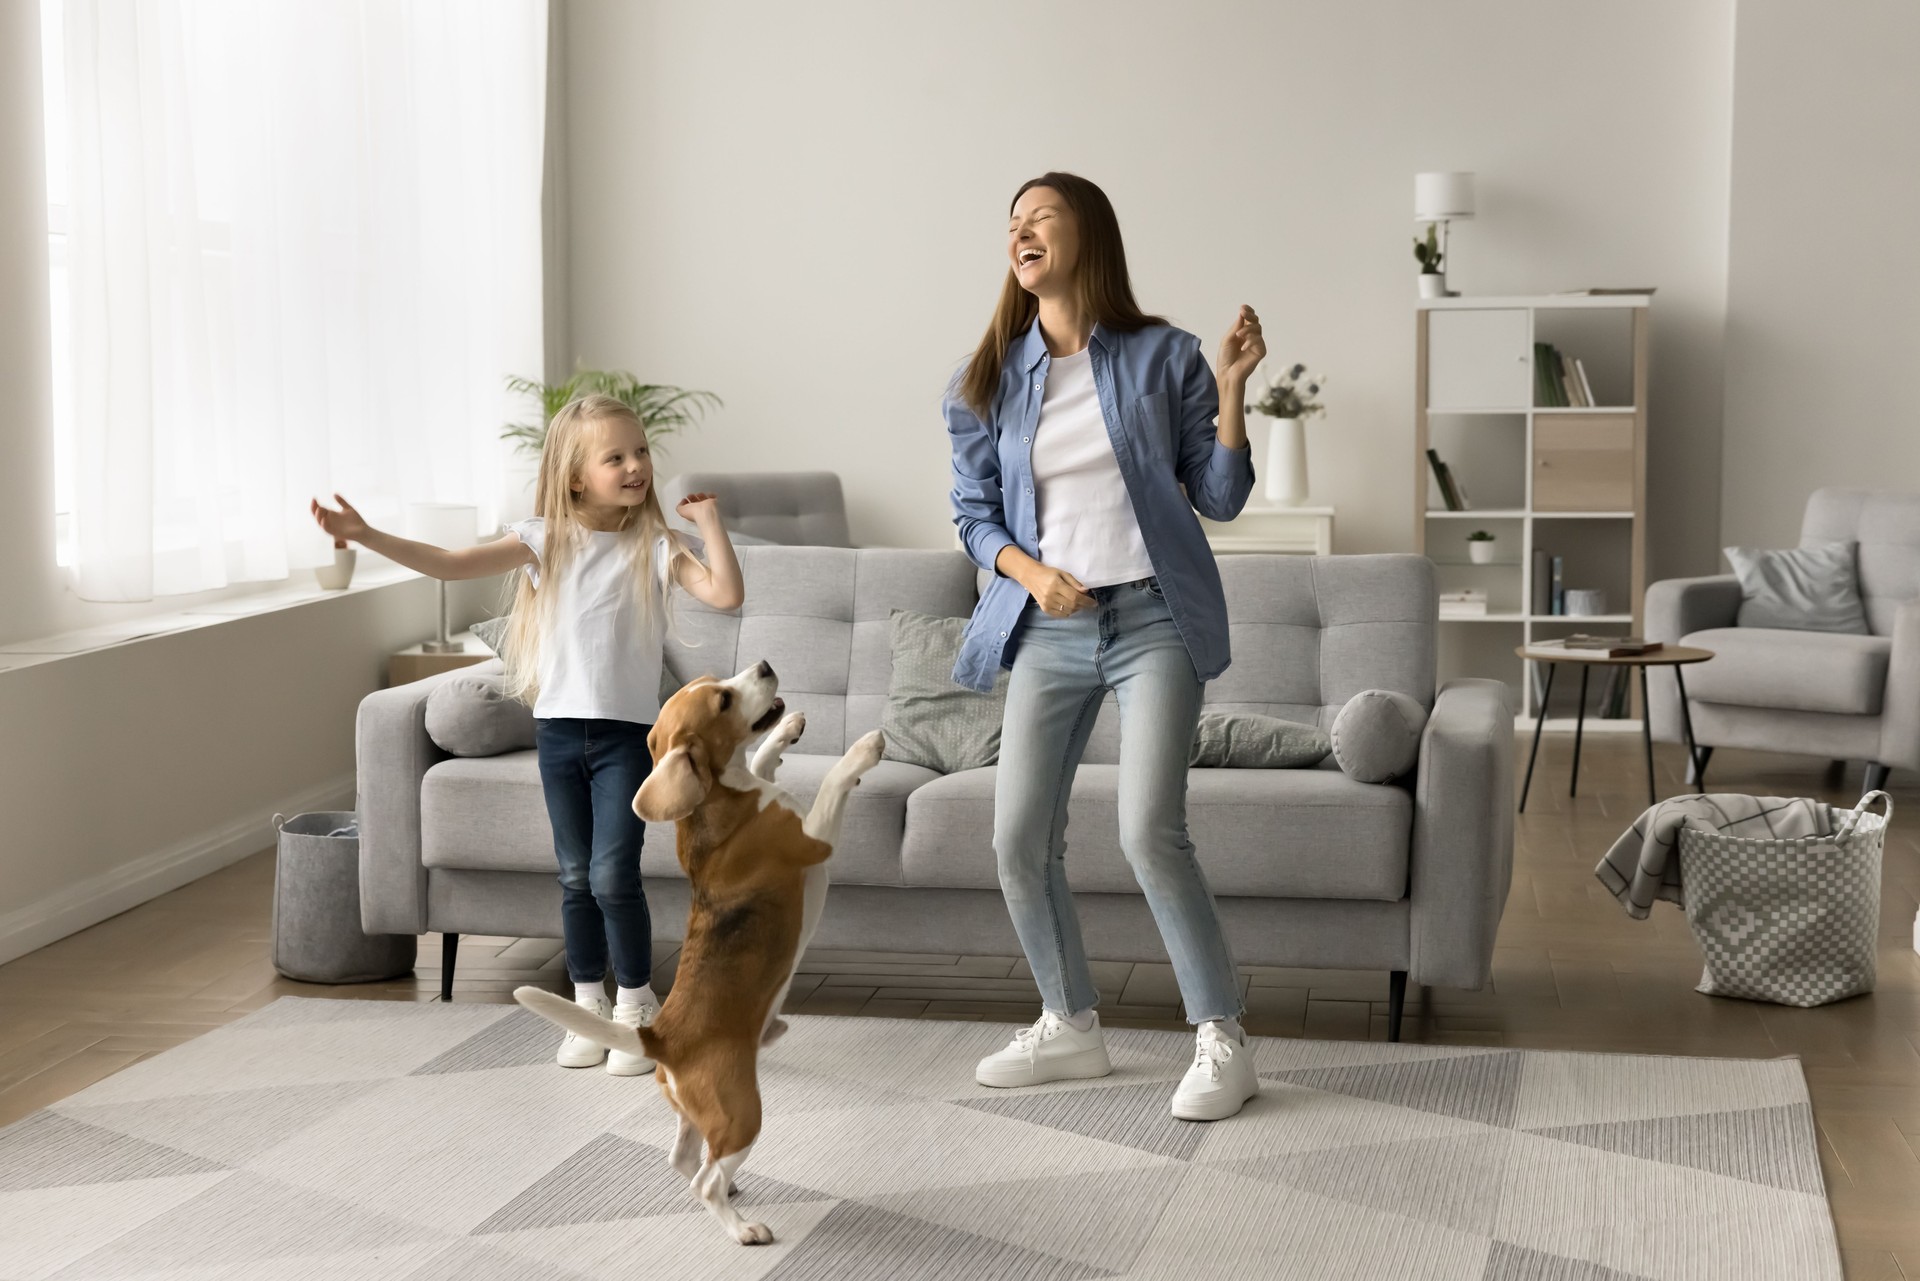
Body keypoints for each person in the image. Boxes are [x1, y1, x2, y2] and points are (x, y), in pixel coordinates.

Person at [946, 172, 1266, 1120]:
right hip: (1046, 624)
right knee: (1015, 839)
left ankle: (1222, 1036)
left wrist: (1236, 387)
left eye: (1041, 216)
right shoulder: (989, 378)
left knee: (1146, 831)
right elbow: (972, 516)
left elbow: (1220, 495)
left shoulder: (1166, 355)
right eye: (1012, 223)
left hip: (1152, 620)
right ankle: (1070, 1023)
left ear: (1089, 233)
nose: (1022, 231)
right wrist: (1027, 572)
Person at [311, 393, 744, 1074]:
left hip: (628, 738)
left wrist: (710, 521)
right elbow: (450, 562)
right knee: (574, 876)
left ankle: (636, 1003)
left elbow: (726, 594)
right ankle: (587, 1005)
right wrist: (367, 536)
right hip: (560, 736)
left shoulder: (656, 545)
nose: (636, 465)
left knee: (613, 873)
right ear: (576, 476)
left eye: (640, 452)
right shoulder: (546, 540)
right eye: (616, 457)